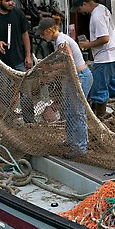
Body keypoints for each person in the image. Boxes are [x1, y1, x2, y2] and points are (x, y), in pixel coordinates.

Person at [35, 17, 93, 158]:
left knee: (77, 111)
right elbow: (65, 64)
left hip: (80, 77)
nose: (43, 37)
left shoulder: (61, 41)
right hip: (71, 78)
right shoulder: (58, 41)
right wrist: (49, 70)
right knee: (68, 109)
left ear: (50, 30)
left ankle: (80, 147)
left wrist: (49, 70)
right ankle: (71, 140)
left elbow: (69, 62)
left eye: (43, 34)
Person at [70, 0, 115, 119]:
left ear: (85, 3)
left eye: (80, 8)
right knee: (114, 83)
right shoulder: (103, 9)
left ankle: (101, 116)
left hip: (105, 58)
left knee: (99, 87)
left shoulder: (96, 17)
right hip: (114, 55)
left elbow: (104, 38)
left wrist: (87, 45)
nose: (80, 12)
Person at [0, 0, 35, 123]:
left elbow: (25, 35)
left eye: (12, 0)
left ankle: (30, 121)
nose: (11, 3)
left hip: (19, 60)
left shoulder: (18, 14)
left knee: (25, 92)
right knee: (4, 94)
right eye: (7, 1)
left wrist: (28, 55)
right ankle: (8, 123)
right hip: (0, 63)